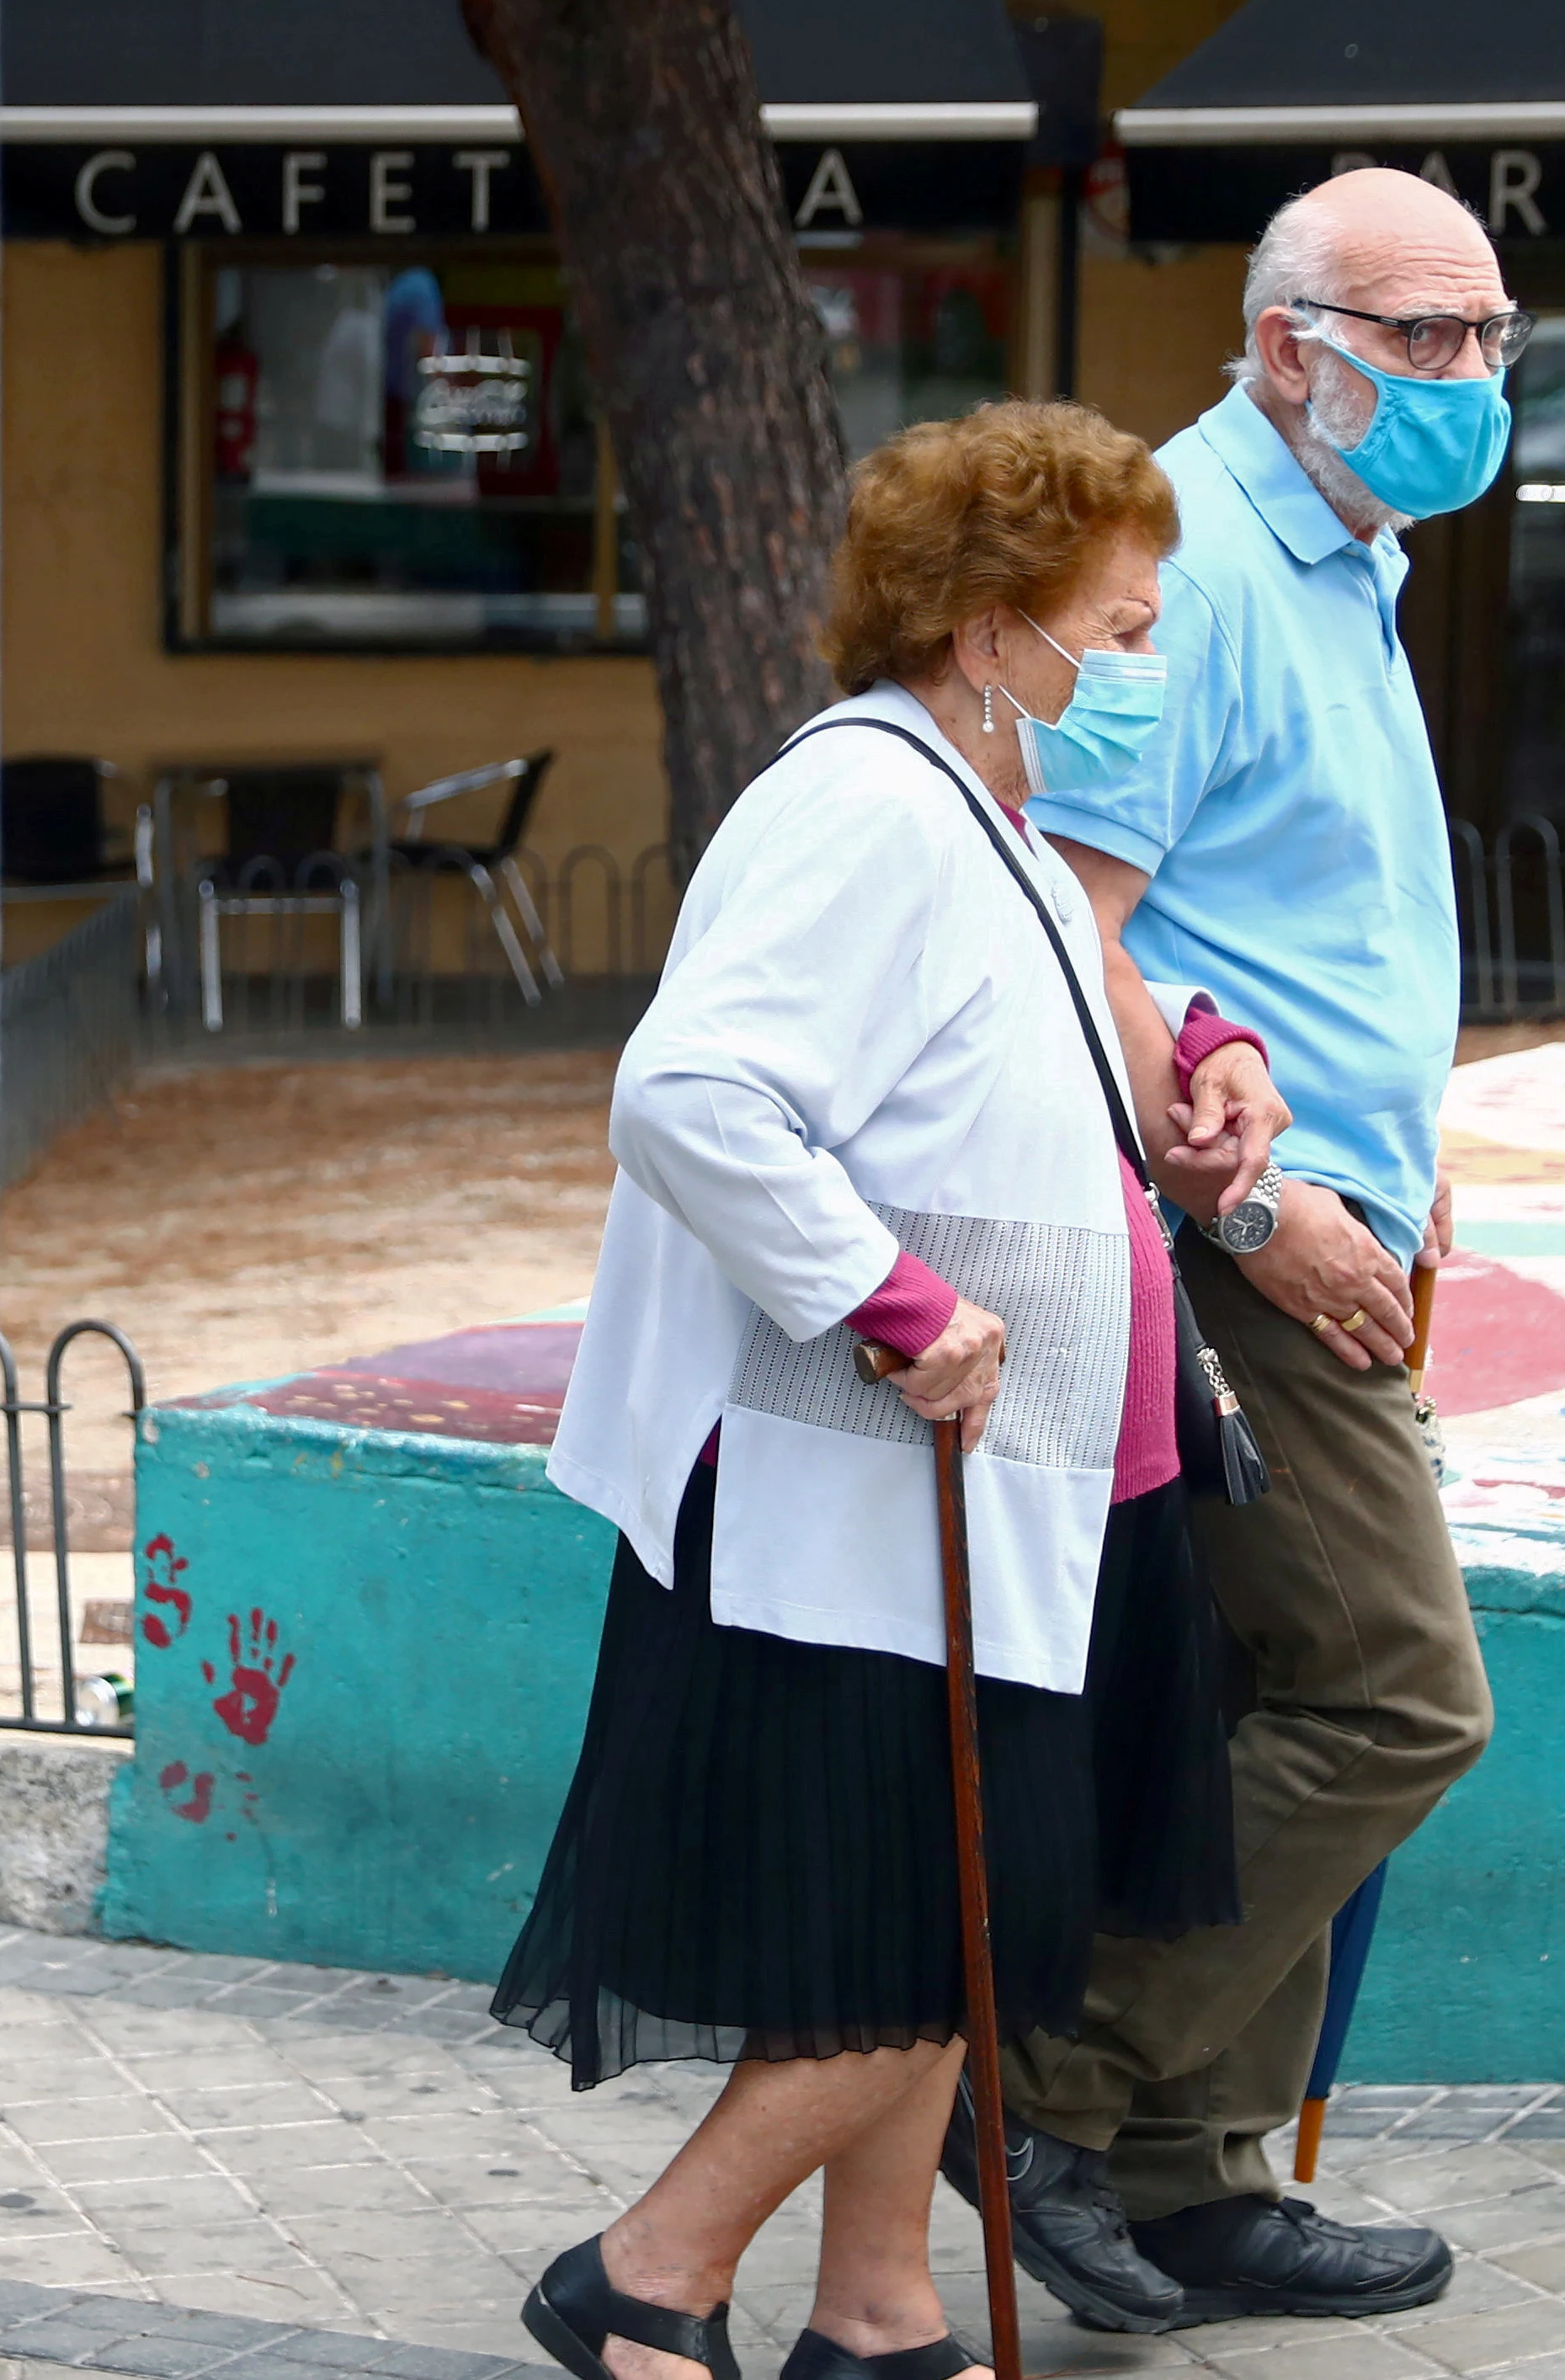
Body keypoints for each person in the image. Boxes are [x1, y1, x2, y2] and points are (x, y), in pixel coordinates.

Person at [498, 400, 1282, 2380]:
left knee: (946, 1916)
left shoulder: (976, 805)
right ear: (987, 628)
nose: (1142, 666)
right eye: (1117, 625)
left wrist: (1198, 1039)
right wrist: (893, 1298)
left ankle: (880, 2307)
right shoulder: (861, 799)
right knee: (945, 1929)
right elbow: (688, 1094)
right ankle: (648, 2275)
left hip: (1016, 1473)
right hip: (868, 1477)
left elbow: (1038, 1018)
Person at [987, 164, 1510, 2335]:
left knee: (1281, 1687)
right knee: (1400, 1695)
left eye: (1493, 339)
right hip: (1235, 1240)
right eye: (1426, 340)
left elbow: (1301, 911)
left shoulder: (1349, 554)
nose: (1470, 382)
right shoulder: (1183, 566)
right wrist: (1268, 1203)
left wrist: (1399, 1158)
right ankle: (1051, 2086)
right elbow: (1072, 930)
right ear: (1290, 342)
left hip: (1340, 1215)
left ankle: (1200, 2177)